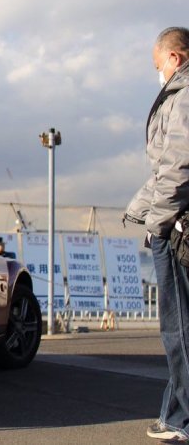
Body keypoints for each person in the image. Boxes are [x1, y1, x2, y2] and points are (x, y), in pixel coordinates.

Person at [125, 26, 189, 442]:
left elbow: (177, 167)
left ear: (176, 59)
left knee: (178, 327)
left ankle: (181, 420)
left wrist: (155, 222)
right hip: (173, 219)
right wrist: (137, 209)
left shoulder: (183, 96)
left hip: (178, 228)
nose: (157, 73)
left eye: (157, 65)